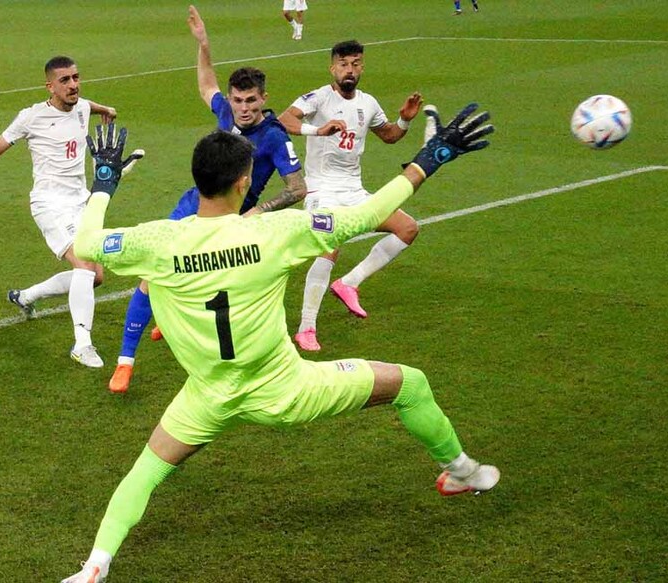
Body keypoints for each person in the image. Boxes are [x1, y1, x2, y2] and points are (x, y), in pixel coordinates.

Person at [60, 101, 496, 583]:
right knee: (409, 384)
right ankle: (461, 470)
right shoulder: (276, 233)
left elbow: (85, 243)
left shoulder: (156, 242)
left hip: (207, 395)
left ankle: (94, 568)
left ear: (197, 179)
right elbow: (364, 214)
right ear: (244, 182)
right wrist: (427, 160)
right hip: (286, 389)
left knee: (146, 471)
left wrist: (103, 185)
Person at [107, 5, 308, 394]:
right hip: (192, 205)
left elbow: (298, 188)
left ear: (264, 99)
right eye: (238, 100)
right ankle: (125, 362)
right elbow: (206, 86)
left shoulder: (274, 136)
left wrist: (257, 211)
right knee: (151, 276)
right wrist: (204, 45)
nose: (244, 108)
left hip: (233, 220)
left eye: (251, 101)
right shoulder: (226, 113)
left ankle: (174, 323)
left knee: (215, 281)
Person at [0, 56, 121, 368]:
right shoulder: (32, 117)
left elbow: (90, 105)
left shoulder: (82, 106)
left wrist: (107, 111)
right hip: (50, 205)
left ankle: (26, 296)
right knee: (85, 267)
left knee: (95, 276)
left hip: (80, 202)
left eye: (76, 77)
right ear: (49, 86)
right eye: (65, 80)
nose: (73, 85)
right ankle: (82, 345)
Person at [277, 40, 423, 352]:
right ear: (332, 68)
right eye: (343, 64)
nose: (349, 70)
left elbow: (389, 135)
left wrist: (405, 120)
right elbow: (284, 119)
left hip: (355, 192)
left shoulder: (368, 103)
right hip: (322, 190)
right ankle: (306, 328)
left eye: (355, 64)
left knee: (407, 228)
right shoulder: (318, 97)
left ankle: (348, 283)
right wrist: (317, 130)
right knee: (330, 245)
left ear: (362, 68)